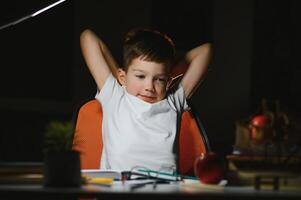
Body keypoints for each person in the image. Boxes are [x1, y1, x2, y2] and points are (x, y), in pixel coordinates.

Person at [80, 28, 212, 171]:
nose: (149, 87)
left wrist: (168, 76)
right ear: (123, 77)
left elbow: (206, 50)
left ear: (168, 82)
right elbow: (88, 37)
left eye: (159, 79)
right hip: (119, 190)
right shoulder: (114, 95)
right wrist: (121, 81)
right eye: (140, 76)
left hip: (165, 190)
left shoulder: (174, 101)